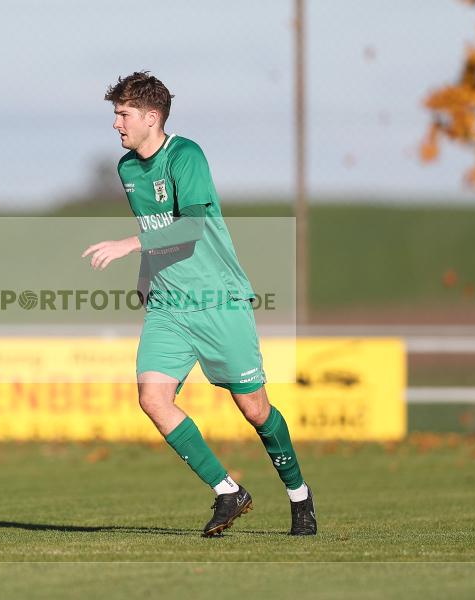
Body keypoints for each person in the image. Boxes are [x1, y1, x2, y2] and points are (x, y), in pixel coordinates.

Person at [82, 72, 316, 537]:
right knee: (153, 398)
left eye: (123, 114)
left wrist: (130, 245)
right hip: (169, 306)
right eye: (115, 114)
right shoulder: (128, 169)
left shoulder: (186, 156)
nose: (116, 124)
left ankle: (299, 496)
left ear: (152, 117)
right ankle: (227, 490)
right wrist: (146, 276)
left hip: (218, 300)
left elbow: (190, 227)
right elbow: (157, 233)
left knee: (254, 409)